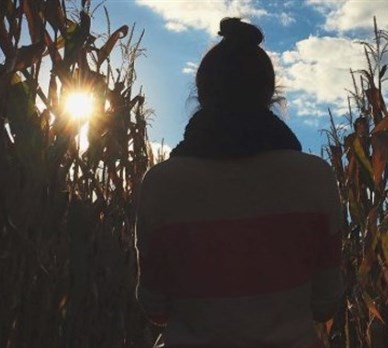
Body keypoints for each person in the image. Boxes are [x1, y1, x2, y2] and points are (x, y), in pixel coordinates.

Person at [136, 18, 345, 348]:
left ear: (202, 94)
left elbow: (155, 307)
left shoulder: (161, 184)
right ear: (270, 95)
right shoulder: (316, 178)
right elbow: (324, 305)